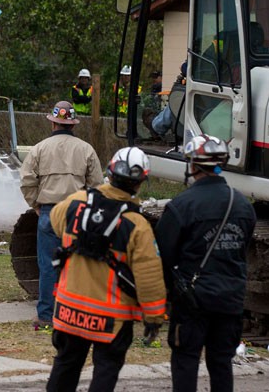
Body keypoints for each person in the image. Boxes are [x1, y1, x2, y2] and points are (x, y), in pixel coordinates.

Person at [46, 147, 167, 392]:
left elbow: (56, 221)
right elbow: (149, 277)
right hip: (111, 320)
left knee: (65, 365)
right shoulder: (137, 225)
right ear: (140, 182)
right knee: (106, 370)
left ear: (109, 173)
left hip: (69, 311)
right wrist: (154, 318)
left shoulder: (77, 202)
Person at [155, 134, 256, 392]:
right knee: (221, 364)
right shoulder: (243, 205)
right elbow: (241, 248)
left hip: (192, 303)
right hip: (230, 301)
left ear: (192, 165)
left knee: (185, 362)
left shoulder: (181, 206)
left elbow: (163, 256)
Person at [19, 101, 103, 328]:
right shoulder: (86, 149)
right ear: (73, 124)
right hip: (77, 213)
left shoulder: (39, 149)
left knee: (48, 266)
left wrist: (36, 205)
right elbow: (97, 185)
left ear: (53, 123)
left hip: (49, 212)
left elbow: (26, 181)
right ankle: (76, 315)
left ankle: (46, 315)